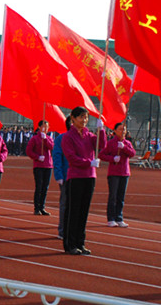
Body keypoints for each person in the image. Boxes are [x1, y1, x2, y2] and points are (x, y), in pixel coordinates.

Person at [61, 106, 107, 255]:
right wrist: (89, 162)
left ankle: (80, 243)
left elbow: (101, 145)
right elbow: (72, 158)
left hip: (89, 176)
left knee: (83, 212)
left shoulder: (89, 135)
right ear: (73, 118)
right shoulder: (68, 137)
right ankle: (70, 244)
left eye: (86, 117)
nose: (84, 120)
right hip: (75, 177)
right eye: (81, 117)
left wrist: (101, 130)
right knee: (73, 211)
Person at [99, 122, 136, 228]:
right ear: (115, 131)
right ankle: (111, 218)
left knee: (121, 197)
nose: (123, 131)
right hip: (114, 173)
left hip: (125, 172)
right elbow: (101, 155)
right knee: (113, 196)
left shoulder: (127, 143)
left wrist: (124, 148)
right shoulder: (110, 143)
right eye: (120, 129)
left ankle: (119, 218)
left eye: (124, 129)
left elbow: (132, 153)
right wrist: (112, 159)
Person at [26, 120, 54, 216]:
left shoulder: (49, 138)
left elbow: (51, 147)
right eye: (44, 126)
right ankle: (36, 208)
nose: (45, 129)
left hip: (48, 165)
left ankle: (42, 207)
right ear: (39, 127)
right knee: (39, 186)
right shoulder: (34, 139)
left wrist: (45, 139)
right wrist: (37, 157)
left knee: (45, 187)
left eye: (47, 127)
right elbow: (29, 151)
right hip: (38, 165)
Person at [52, 116, 72, 239]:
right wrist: (58, 175)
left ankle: (73, 230)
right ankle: (63, 230)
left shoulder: (83, 137)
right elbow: (57, 156)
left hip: (79, 176)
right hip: (66, 176)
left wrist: (101, 130)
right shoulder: (61, 138)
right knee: (65, 204)